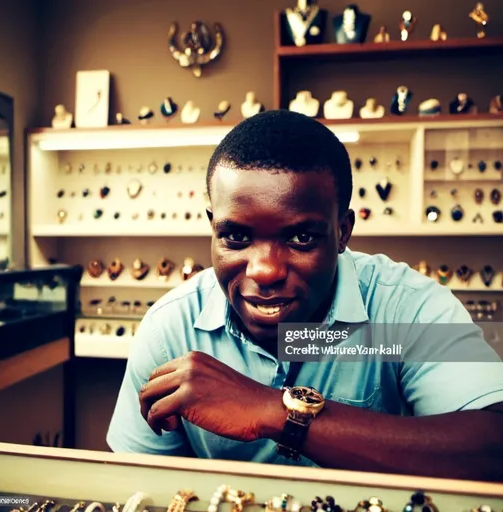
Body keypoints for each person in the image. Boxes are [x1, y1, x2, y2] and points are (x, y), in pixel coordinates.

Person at [107, 110, 503, 480]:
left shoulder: (404, 307)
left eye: (300, 238)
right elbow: (138, 488)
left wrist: (274, 411)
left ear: (343, 231)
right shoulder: (169, 329)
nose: (265, 270)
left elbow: (492, 445)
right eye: (236, 237)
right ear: (213, 228)